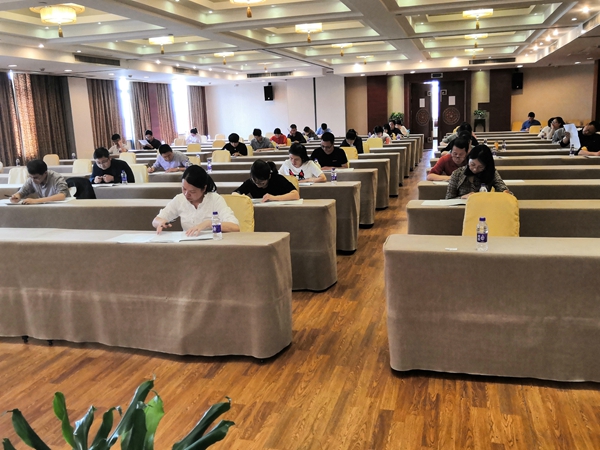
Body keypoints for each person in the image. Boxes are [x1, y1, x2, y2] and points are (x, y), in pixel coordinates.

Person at [152, 165, 239, 236]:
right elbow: (156, 220)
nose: (186, 194)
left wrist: (209, 223)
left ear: (204, 188)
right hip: (187, 244)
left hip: (211, 245)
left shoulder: (215, 199)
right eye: (184, 189)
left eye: (192, 191)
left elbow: (235, 227)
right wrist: (161, 222)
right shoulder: (179, 199)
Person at [445, 145, 511, 199]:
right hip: (461, 209)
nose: (475, 169)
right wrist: (462, 197)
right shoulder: (457, 173)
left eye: (480, 167)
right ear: (468, 159)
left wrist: (505, 192)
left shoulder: (490, 172)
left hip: (483, 208)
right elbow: (448, 199)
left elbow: (502, 188)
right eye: (472, 164)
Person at [234, 160, 299, 202]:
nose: (258, 185)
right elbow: (234, 193)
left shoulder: (277, 179)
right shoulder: (250, 182)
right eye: (255, 182)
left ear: (269, 176)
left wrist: (273, 198)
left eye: (262, 183)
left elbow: (295, 194)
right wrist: (242, 198)